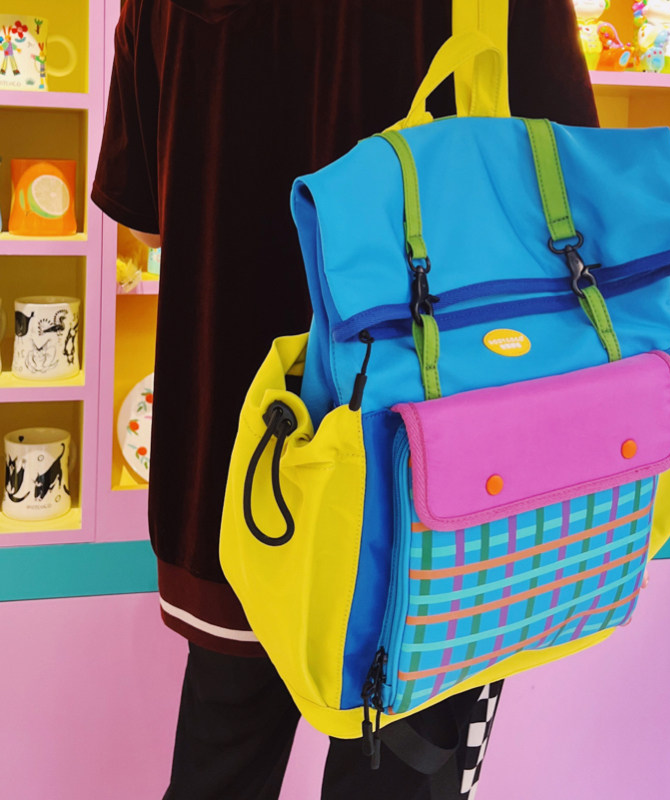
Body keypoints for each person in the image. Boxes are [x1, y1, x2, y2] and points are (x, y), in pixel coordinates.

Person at [92, 1, 599, 797]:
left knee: (219, 766)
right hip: (433, 480)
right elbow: (566, 193)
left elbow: (150, 226)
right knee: (407, 767)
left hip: (239, 472)